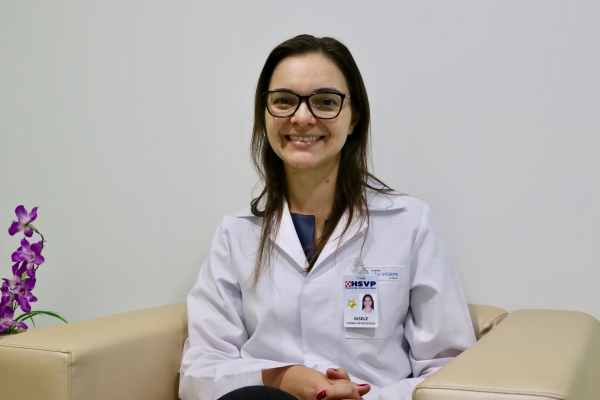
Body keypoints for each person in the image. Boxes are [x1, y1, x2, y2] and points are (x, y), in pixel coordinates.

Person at [179, 34, 476, 400]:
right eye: (284, 100)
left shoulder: (409, 223)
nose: (302, 117)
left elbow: (451, 371)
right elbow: (199, 372)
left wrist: (363, 398)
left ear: (354, 119)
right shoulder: (237, 232)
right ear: (265, 114)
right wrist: (283, 378)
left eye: (325, 102)